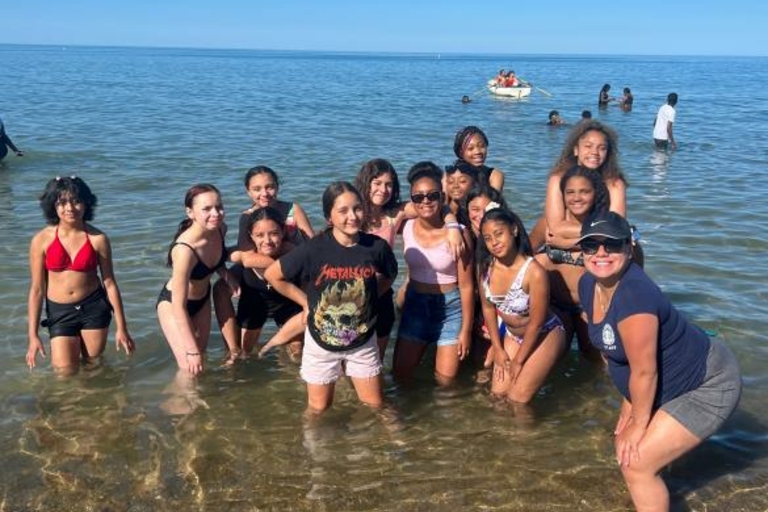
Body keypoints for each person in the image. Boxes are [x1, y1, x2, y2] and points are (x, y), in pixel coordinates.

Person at [577, 211, 741, 511]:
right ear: (581, 250)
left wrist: (639, 421)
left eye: (611, 245)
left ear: (629, 247)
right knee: (627, 449)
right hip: (669, 378)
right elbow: (618, 356)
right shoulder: (588, 285)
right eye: (591, 245)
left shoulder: (634, 297)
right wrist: (630, 404)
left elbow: (644, 371)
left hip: (708, 383)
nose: (601, 253)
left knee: (635, 464)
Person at [265, 181, 398, 414]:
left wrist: (369, 297)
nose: (353, 216)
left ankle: (393, 446)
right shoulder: (314, 249)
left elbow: (388, 275)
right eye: (343, 211)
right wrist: (305, 302)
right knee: (318, 410)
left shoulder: (376, 247)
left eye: (357, 208)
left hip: (363, 343)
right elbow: (273, 275)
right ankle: (312, 450)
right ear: (329, 216)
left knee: (376, 406)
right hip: (320, 344)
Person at [355, 158, 463, 361]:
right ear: (365, 183)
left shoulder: (395, 214)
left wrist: (453, 226)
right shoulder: (353, 214)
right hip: (352, 296)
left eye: (389, 184)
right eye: (377, 183)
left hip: (381, 295)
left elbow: (435, 203)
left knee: (373, 361)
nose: (383, 190)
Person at [27, 176, 134, 371]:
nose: (70, 208)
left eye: (76, 201)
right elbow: (36, 289)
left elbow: (110, 283)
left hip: (94, 307)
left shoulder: (98, 239)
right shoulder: (41, 240)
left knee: (92, 367)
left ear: (86, 204)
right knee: (64, 372)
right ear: (53, 205)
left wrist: (122, 328)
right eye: (62, 202)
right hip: (60, 312)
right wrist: (33, 336)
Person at [214, 165, 315, 361]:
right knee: (220, 290)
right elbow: (247, 257)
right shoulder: (247, 216)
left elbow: (311, 249)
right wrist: (290, 253)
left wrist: (290, 252)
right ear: (248, 191)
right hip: (259, 280)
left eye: (269, 187)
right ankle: (232, 350)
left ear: (277, 186)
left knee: (296, 352)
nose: (264, 193)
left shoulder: (292, 210)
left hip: (290, 280)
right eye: (257, 189)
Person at [392, 162, 474, 386]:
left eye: (432, 195)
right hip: (416, 305)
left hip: (451, 309)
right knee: (400, 375)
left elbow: (467, 286)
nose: (425, 201)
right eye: (418, 197)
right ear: (412, 200)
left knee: (446, 382)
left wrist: (466, 330)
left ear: (441, 196)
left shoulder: (459, 234)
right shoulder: (405, 226)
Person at [477, 207, 566, 403]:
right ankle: (501, 434)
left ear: (514, 230)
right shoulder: (485, 268)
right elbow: (488, 309)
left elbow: (536, 322)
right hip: (512, 335)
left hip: (545, 333)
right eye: (488, 238)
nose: (494, 242)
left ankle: (529, 434)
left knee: (517, 399)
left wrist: (518, 361)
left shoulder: (534, 272)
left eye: (499, 234)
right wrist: (498, 348)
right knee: (498, 397)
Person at [157, 184, 239, 375]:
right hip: (174, 305)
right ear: (190, 212)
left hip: (202, 301)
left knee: (200, 362)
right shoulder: (184, 250)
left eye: (219, 207)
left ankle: (196, 401)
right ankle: (176, 403)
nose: (216, 213)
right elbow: (178, 306)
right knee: (189, 366)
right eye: (206, 209)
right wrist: (191, 351)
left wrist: (227, 276)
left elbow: (214, 259)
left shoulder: (220, 230)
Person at [533, 166, 609, 357]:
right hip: (556, 305)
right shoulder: (549, 224)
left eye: (585, 191)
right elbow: (524, 254)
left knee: (597, 362)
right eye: (570, 192)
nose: (577, 198)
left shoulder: (605, 226)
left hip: (591, 307)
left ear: (595, 193)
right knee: (555, 362)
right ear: (563, 195)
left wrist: (568, 244)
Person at [228, 207, 304, 359]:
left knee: (297, 352)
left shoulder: (293, 253)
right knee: (245, 354)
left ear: (283, 232)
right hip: (254, 304)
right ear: (251, 236)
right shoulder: (244, 256)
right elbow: (214, 258)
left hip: (287, 306)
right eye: (259, 235)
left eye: (274, 233)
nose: (267, 241)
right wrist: (226, 276)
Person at [453, 126, 505, 192]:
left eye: (482, 146)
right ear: (461, 153)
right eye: (470, 148)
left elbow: (493, 201)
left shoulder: (494, 175)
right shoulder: (451, 176)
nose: (477, 152)